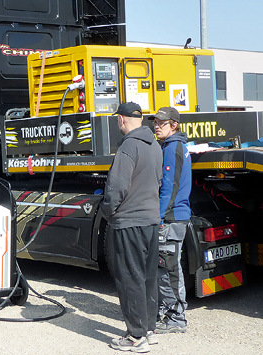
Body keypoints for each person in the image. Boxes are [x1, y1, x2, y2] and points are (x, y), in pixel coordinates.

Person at [100, 102, 163, 353]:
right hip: (150, 220)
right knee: (148, 276)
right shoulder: (155, 145)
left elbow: (117, 187)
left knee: (130, 278)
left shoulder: (128, 146)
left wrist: (107, 211)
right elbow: (158, 180)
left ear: (122, 120)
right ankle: (148, 328)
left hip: (129, 222)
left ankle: (136, 337)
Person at [149, 107, 191, 334]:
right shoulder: (174, 146)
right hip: (175, 217)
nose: (156, 126)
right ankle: (168, 311)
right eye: (155, 122)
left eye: (161, 123)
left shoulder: (173, 147)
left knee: (168, 269)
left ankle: (176, 318)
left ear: (174, 125)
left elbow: (169, 189)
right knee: (164, 268)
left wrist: (160, 217)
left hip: (171, 218)